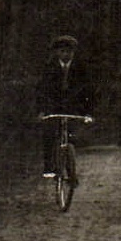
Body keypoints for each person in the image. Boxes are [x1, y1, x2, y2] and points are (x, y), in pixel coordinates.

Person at [36, 35, 95, 177]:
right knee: (49, 134)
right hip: (54, 107)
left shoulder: (81, 68)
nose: (65, 55)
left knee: (72, 135)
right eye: (62, 51)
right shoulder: (49, 68)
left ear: (73, 52)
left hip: (74, 108)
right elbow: (42, 90)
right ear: (57, 52)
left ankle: (70, 163)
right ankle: (49, 167)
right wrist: (42, 110)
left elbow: (89, 91)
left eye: (69, 51)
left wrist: (88, 113)